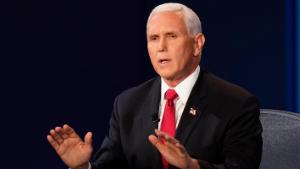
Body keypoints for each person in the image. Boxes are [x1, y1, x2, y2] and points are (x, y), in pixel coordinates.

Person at [47, 2, 262, 169]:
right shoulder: (127, 104)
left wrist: (192, 166)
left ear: (197, 44)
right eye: (153, 38)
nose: (161, 47)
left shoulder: (236, 103)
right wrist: (82, 166)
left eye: (171, 36)